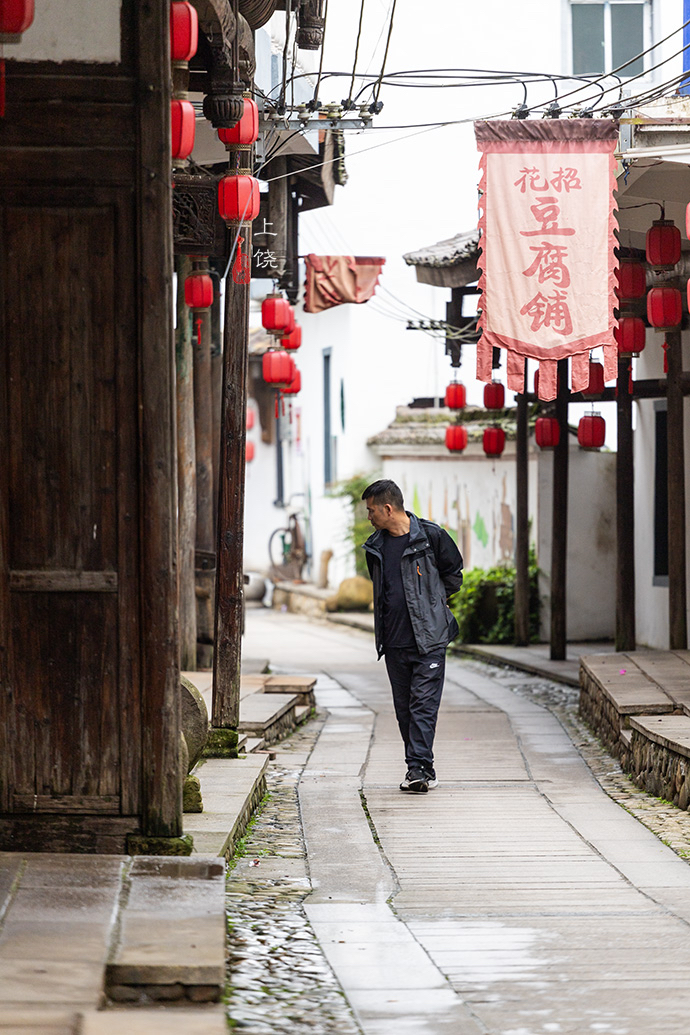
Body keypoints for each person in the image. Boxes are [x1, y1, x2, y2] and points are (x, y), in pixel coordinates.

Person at [361, 479, 463, 794]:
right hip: (394, 643)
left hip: (429, 640)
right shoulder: (375, 546)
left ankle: (418, 768)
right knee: (405, 708)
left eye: (371, 510)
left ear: (388, 508)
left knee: (423, 706)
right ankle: (418, 767)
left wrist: (433, 602)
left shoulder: (431, 537)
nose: (369, 517)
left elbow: (454, 574)